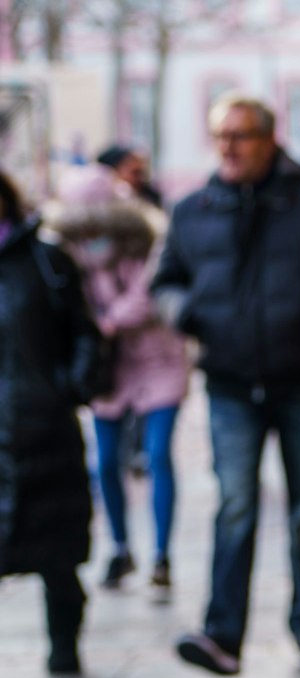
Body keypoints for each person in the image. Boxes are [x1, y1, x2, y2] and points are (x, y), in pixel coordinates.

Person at [152, 93, 300, 675]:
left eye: (241, 136)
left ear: (269, 138)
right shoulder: (193, 210)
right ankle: (222, 636)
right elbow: (166, 281)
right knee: (235, 505)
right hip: (231, 381)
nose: (229, 148)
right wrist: (186, 312)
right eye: (221, 136)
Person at [45, 163, 189, 598]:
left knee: (158, 453)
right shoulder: (66, 255)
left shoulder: (144, 240)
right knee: (106, 461)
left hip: (158, 361)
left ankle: (161, 553)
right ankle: (120, 546)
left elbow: (149, 293)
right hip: (108, 369)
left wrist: (106, 323)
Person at [0, 169, 111, 675]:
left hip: (42, 425)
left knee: (56, 551)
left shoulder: (45, 260)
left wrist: (70, 385)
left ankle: (64, 644)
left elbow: (84, 332)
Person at [96, 144, 163, 208]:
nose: (141, 178)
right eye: (135, 172)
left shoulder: (150, 196)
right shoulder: (105, 200)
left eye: (143, 172)